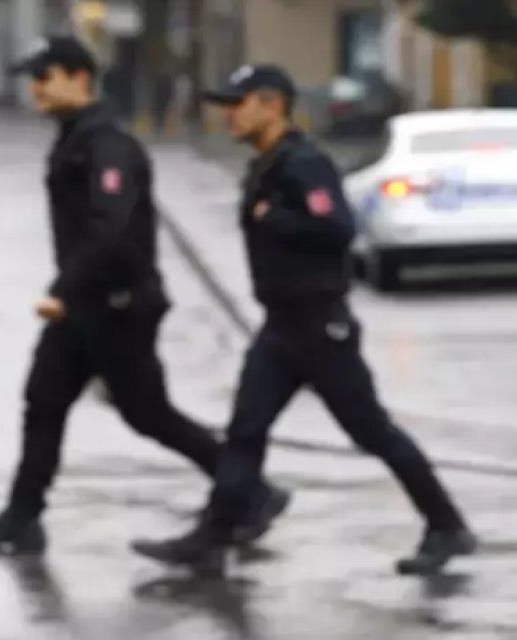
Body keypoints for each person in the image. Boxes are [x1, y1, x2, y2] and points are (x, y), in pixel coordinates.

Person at [130, 64, 475, 575]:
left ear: (272, 104)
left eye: (237, 103)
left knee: (371, 431)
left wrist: (278, 217)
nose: (228, 114)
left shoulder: (303, 163)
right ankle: (214, 535)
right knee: (246, 431)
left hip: (319, 328)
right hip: (281, 327)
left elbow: (337, 227)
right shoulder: (267, 163)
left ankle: (446, 526)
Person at [0, 37, 227, 554]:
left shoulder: (108, 146)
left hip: (119, 304)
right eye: (32, 78)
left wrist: (61, 289)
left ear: (79, 78)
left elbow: (111, 228)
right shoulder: (76, 137)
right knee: (43, 401)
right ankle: (22, 516)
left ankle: (246, 489)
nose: (35, 88)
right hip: (84, 305)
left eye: (44, 76)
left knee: (148, 414)